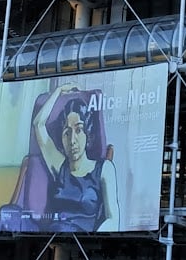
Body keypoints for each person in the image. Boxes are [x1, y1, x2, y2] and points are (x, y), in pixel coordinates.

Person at [33, 84, 120, 232]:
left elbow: (113, 219)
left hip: (81, 239)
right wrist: (58, 91)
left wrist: (93, 237)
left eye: (79, 130)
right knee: (5, 214)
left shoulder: (104, 169)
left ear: (88, 134)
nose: (72, 140)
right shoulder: (59, 165)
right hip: (53, 233)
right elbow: (38, 124)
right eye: (67, 133)